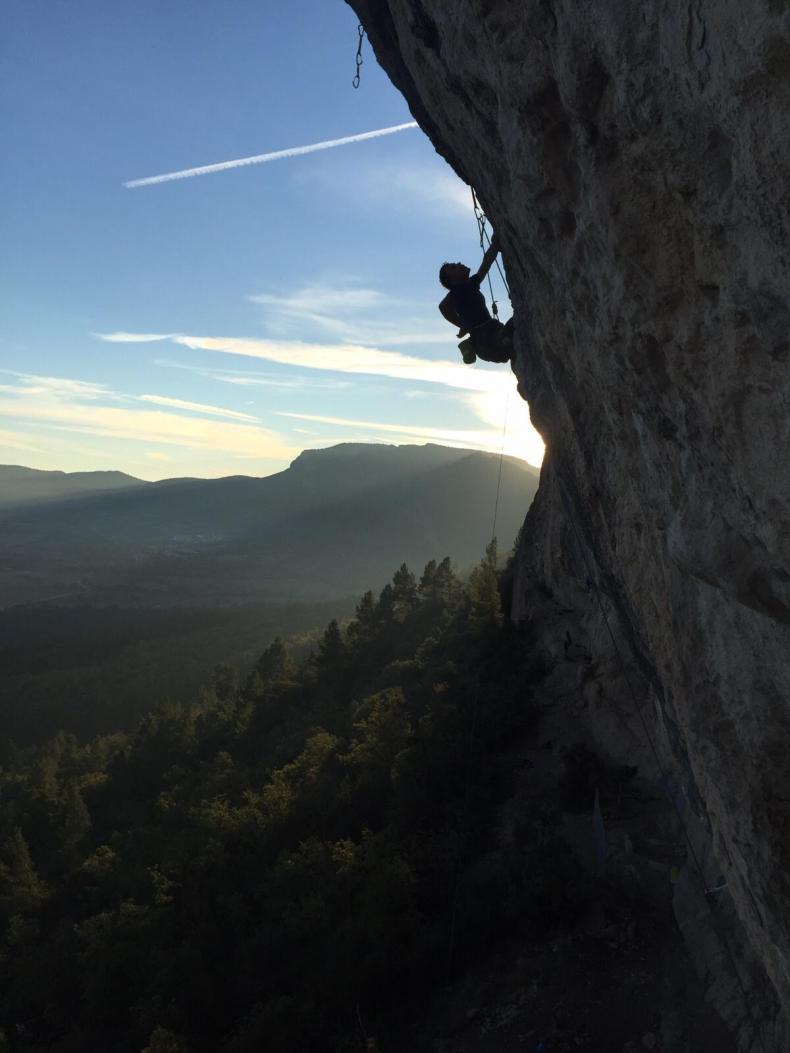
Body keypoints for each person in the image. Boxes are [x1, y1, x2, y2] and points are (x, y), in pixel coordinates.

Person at [438, 233, 512, 365]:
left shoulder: (470, 285)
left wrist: (494, 247)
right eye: (454, 268)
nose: (459, 264)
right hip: (487, 339)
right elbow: (443, 307)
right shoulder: (458, 291)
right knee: (515, 333)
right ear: (452, 280)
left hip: (489, 337)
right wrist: (463, 324)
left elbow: (485, 264)